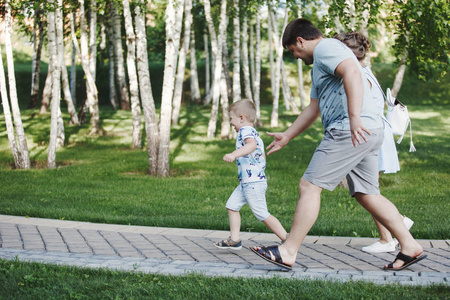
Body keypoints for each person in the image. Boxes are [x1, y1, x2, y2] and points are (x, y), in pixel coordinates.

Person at [250, 18, 426, 271]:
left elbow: (353, 73)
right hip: (367, 129)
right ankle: (409, 245)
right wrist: (288, 135)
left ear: (300, 40)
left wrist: (353, 118)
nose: (296, 57)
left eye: (294, 51)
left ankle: (288, 251)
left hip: (349, 129)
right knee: (367, 193)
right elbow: (315, 107)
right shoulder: (321, 62)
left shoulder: (326, 48)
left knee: (309, 186)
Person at [334, 32, 414, 253]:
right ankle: (388, 235)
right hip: (374, 133)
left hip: (370, 134)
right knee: (367, 189)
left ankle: (391, 232)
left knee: (367, 190)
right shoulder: (363, 71)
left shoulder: (356, 74)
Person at [214, 99, 288, 250]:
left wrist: (234, 154)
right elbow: (260, 154)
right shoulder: (254, 133)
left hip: (253, 183)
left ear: (241, 118)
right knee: (232, 206)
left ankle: (288, 239)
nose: (231, 122)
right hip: (248, 182)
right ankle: (234, 240)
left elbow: (251, 146)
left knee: (261, 214)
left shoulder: (245, 131)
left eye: (232, 118)